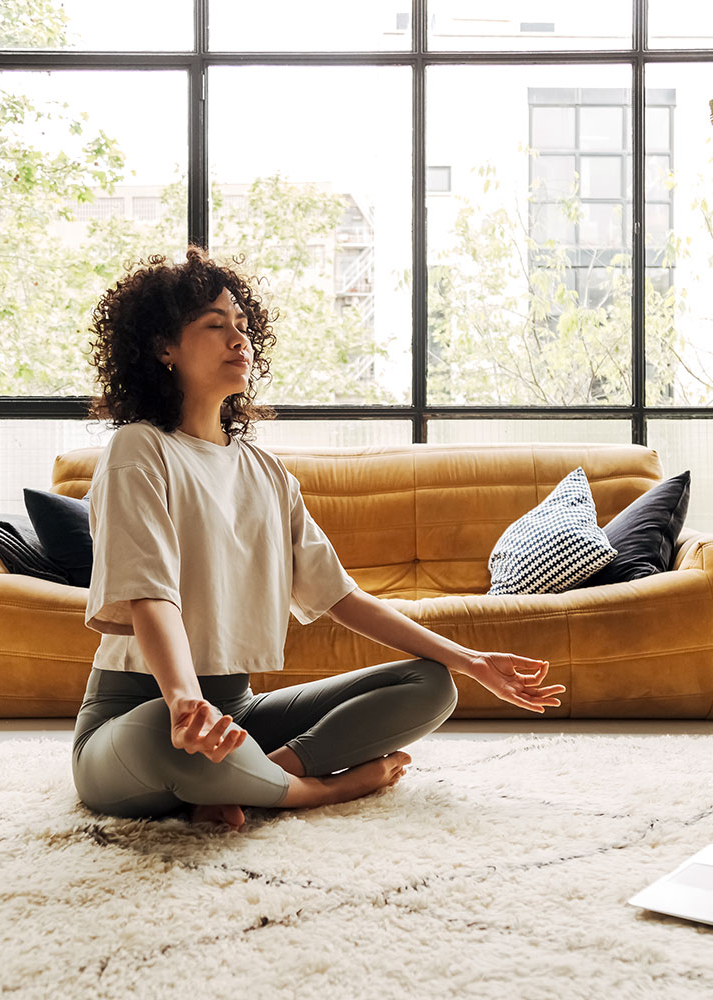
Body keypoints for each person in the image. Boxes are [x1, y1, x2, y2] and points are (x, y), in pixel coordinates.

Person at [70, 245, 565, 832]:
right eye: (215, 324)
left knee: (430, 684)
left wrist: (470, 659)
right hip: (138, 713)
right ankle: (314, 791)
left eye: (243, 326)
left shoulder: (267, 473)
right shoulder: (140, 449)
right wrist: (182, 701)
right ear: (163, 347)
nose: (239, 339)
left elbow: (341, 597)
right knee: (165, 740)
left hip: (236, 712)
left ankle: (262, 772)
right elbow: (150, 594)